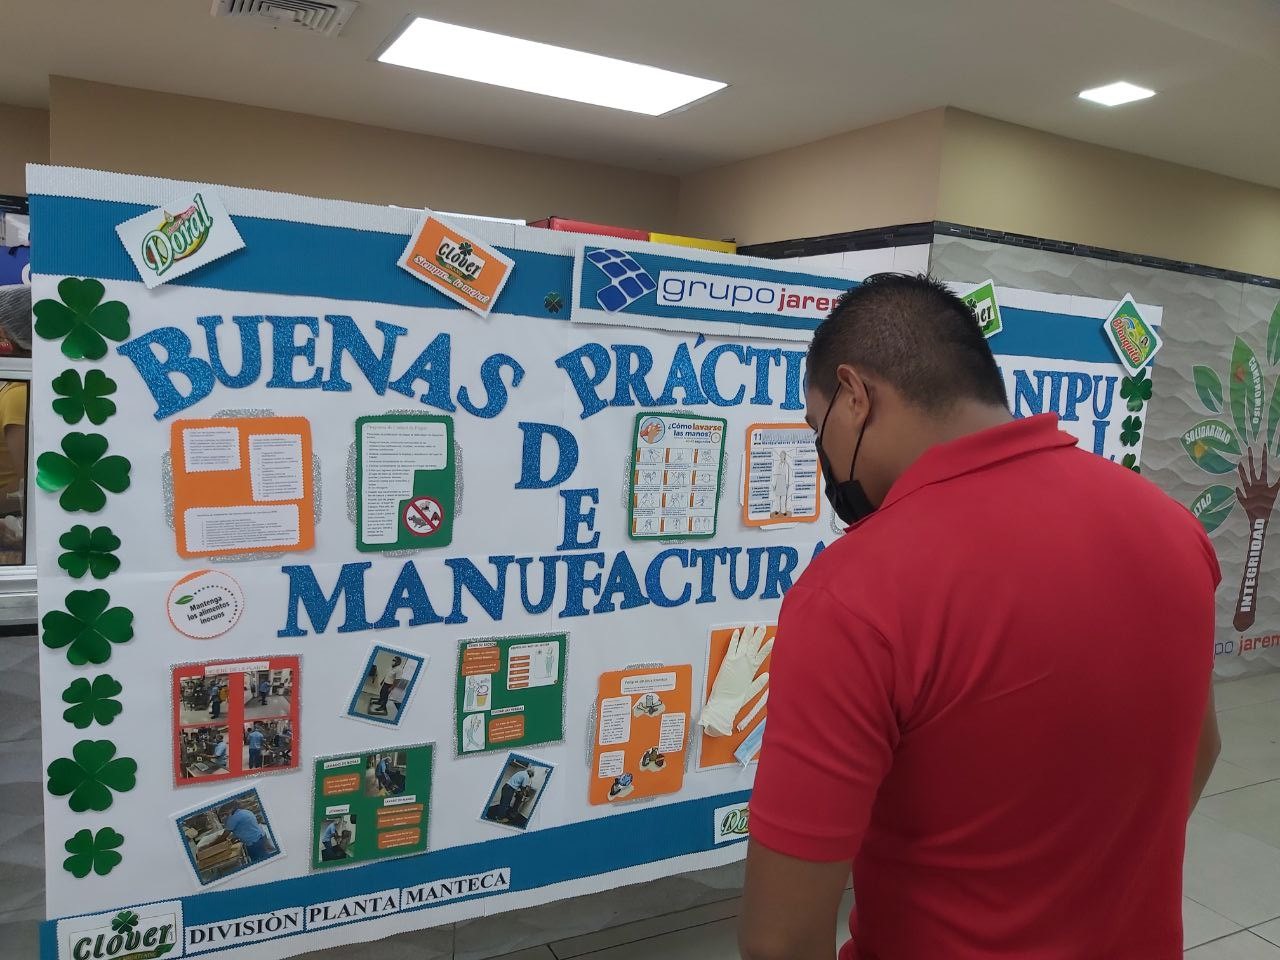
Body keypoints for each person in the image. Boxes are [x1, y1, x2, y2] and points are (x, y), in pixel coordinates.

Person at [740, 275, 1221, 960]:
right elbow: (1202, 748)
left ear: (854, 395)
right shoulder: (1172, 531)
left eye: (818, 428)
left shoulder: (853, 595)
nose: (824, 457)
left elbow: (780, 940)